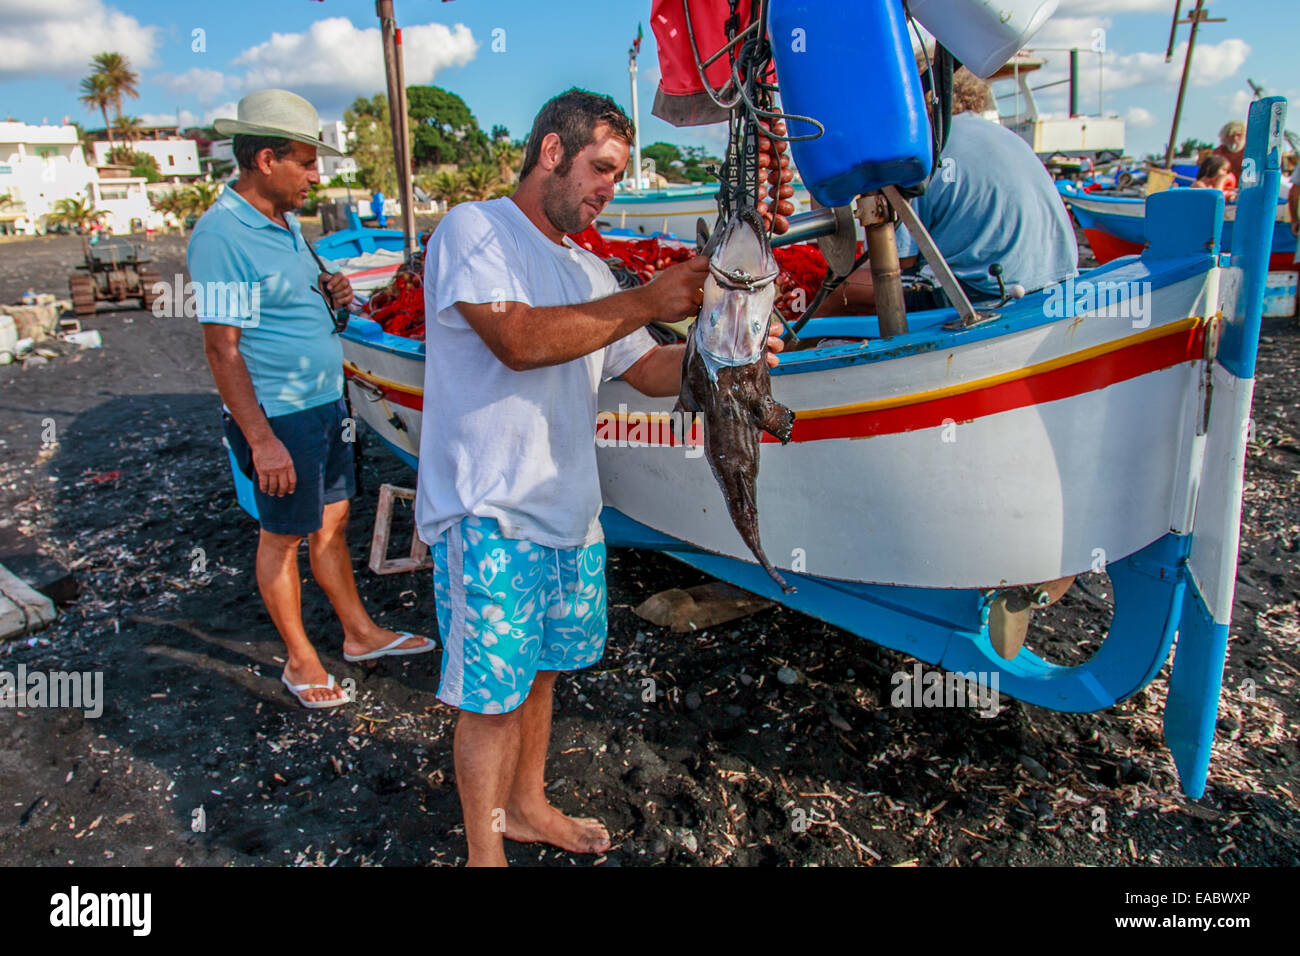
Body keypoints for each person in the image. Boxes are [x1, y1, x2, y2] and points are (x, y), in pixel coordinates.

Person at [416, 88, 786, 866]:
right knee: (490, 701)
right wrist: (649, 297)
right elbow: (515, 339)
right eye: (601, 169)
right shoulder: (474, 230)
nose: (608, 189)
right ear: (551, 150)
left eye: (617, 175)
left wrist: (725, 350)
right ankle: (485, 856)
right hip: (491, 513)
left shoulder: (590, 269)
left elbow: (648, 370)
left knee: (544, 674)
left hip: (572, 514)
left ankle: (527, 805)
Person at [189, 89, 433, 709]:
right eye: (305, 161)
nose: (314, 175)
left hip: (326, 403)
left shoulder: (285, 224)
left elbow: (291, 311)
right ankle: (300, 662)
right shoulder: (222, 233)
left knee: (331, 521)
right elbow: (224, 350)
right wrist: (263, 439)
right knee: (282, 537)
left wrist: (335, 295)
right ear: (265, 159)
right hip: (280, 414)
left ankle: (358, 635)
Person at [788, 65, 1078, 318]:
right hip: (1056, 280)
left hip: (981, 293)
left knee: (844, 292)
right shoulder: (1003, 135)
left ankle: (795, 353)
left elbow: (893, 266)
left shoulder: (922, 153)